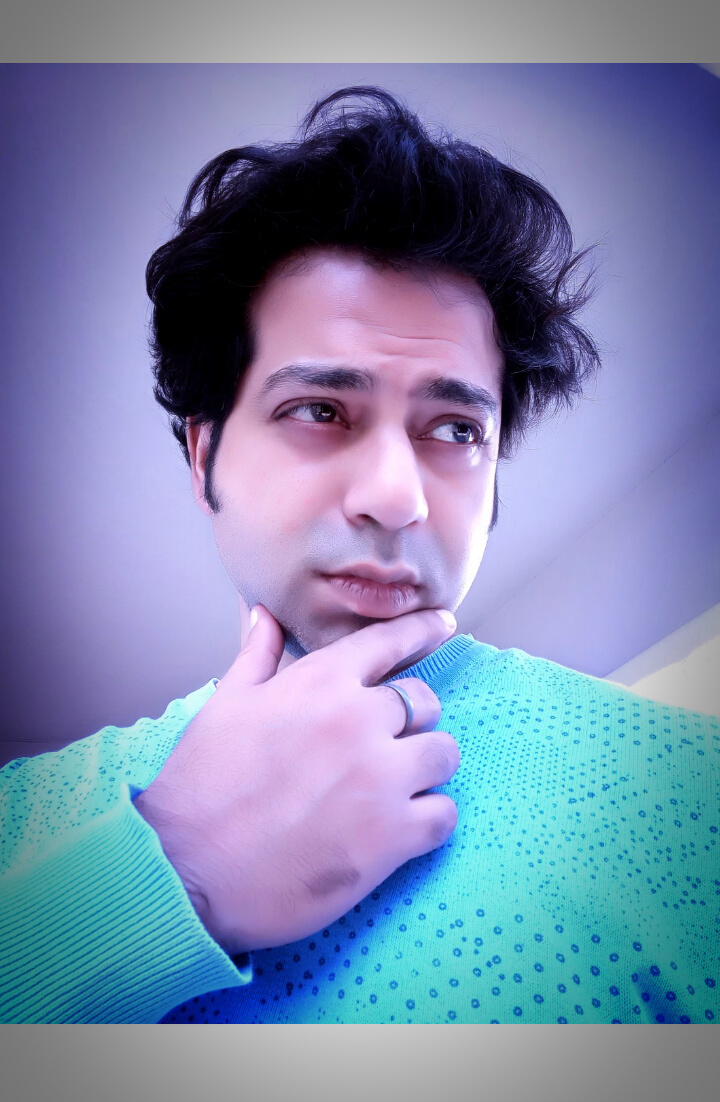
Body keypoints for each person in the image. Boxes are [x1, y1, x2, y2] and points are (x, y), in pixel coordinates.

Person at [1, 87, 718, 1026]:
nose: (397, 495)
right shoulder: (21, 821)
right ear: (203, 453)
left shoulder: (687, 794)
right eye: (320, 410)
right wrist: (174, 873)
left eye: (455, 429)